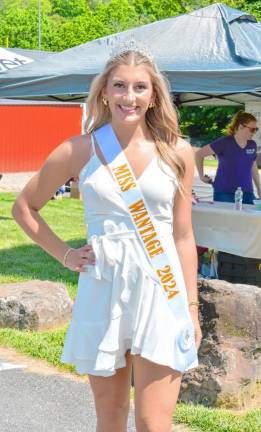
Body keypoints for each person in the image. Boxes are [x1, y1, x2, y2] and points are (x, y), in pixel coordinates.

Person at [12, 44, 202, 432]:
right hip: (104, 288)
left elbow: (183, 236)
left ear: (153, 96)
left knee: (154, 423)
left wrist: (192, 307)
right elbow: (24, 207)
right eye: (119, 86)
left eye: (139, 88)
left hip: (162, 290)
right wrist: (65, 255)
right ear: (103, 92)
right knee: (111, 419)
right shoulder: (78, 150)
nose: (128, 97)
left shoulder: (178, 153)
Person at [195, 111, 261, 204]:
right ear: (241, 126)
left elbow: (253, 167)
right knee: (227, 218)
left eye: (256, 129)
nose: (254, 132)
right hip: (223, 193)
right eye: (252, 129)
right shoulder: (224, 142)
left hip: (247, 192)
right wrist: (201, 176)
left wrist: (259, 188)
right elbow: (199, 154)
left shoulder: (252, 145)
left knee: (248, 218)